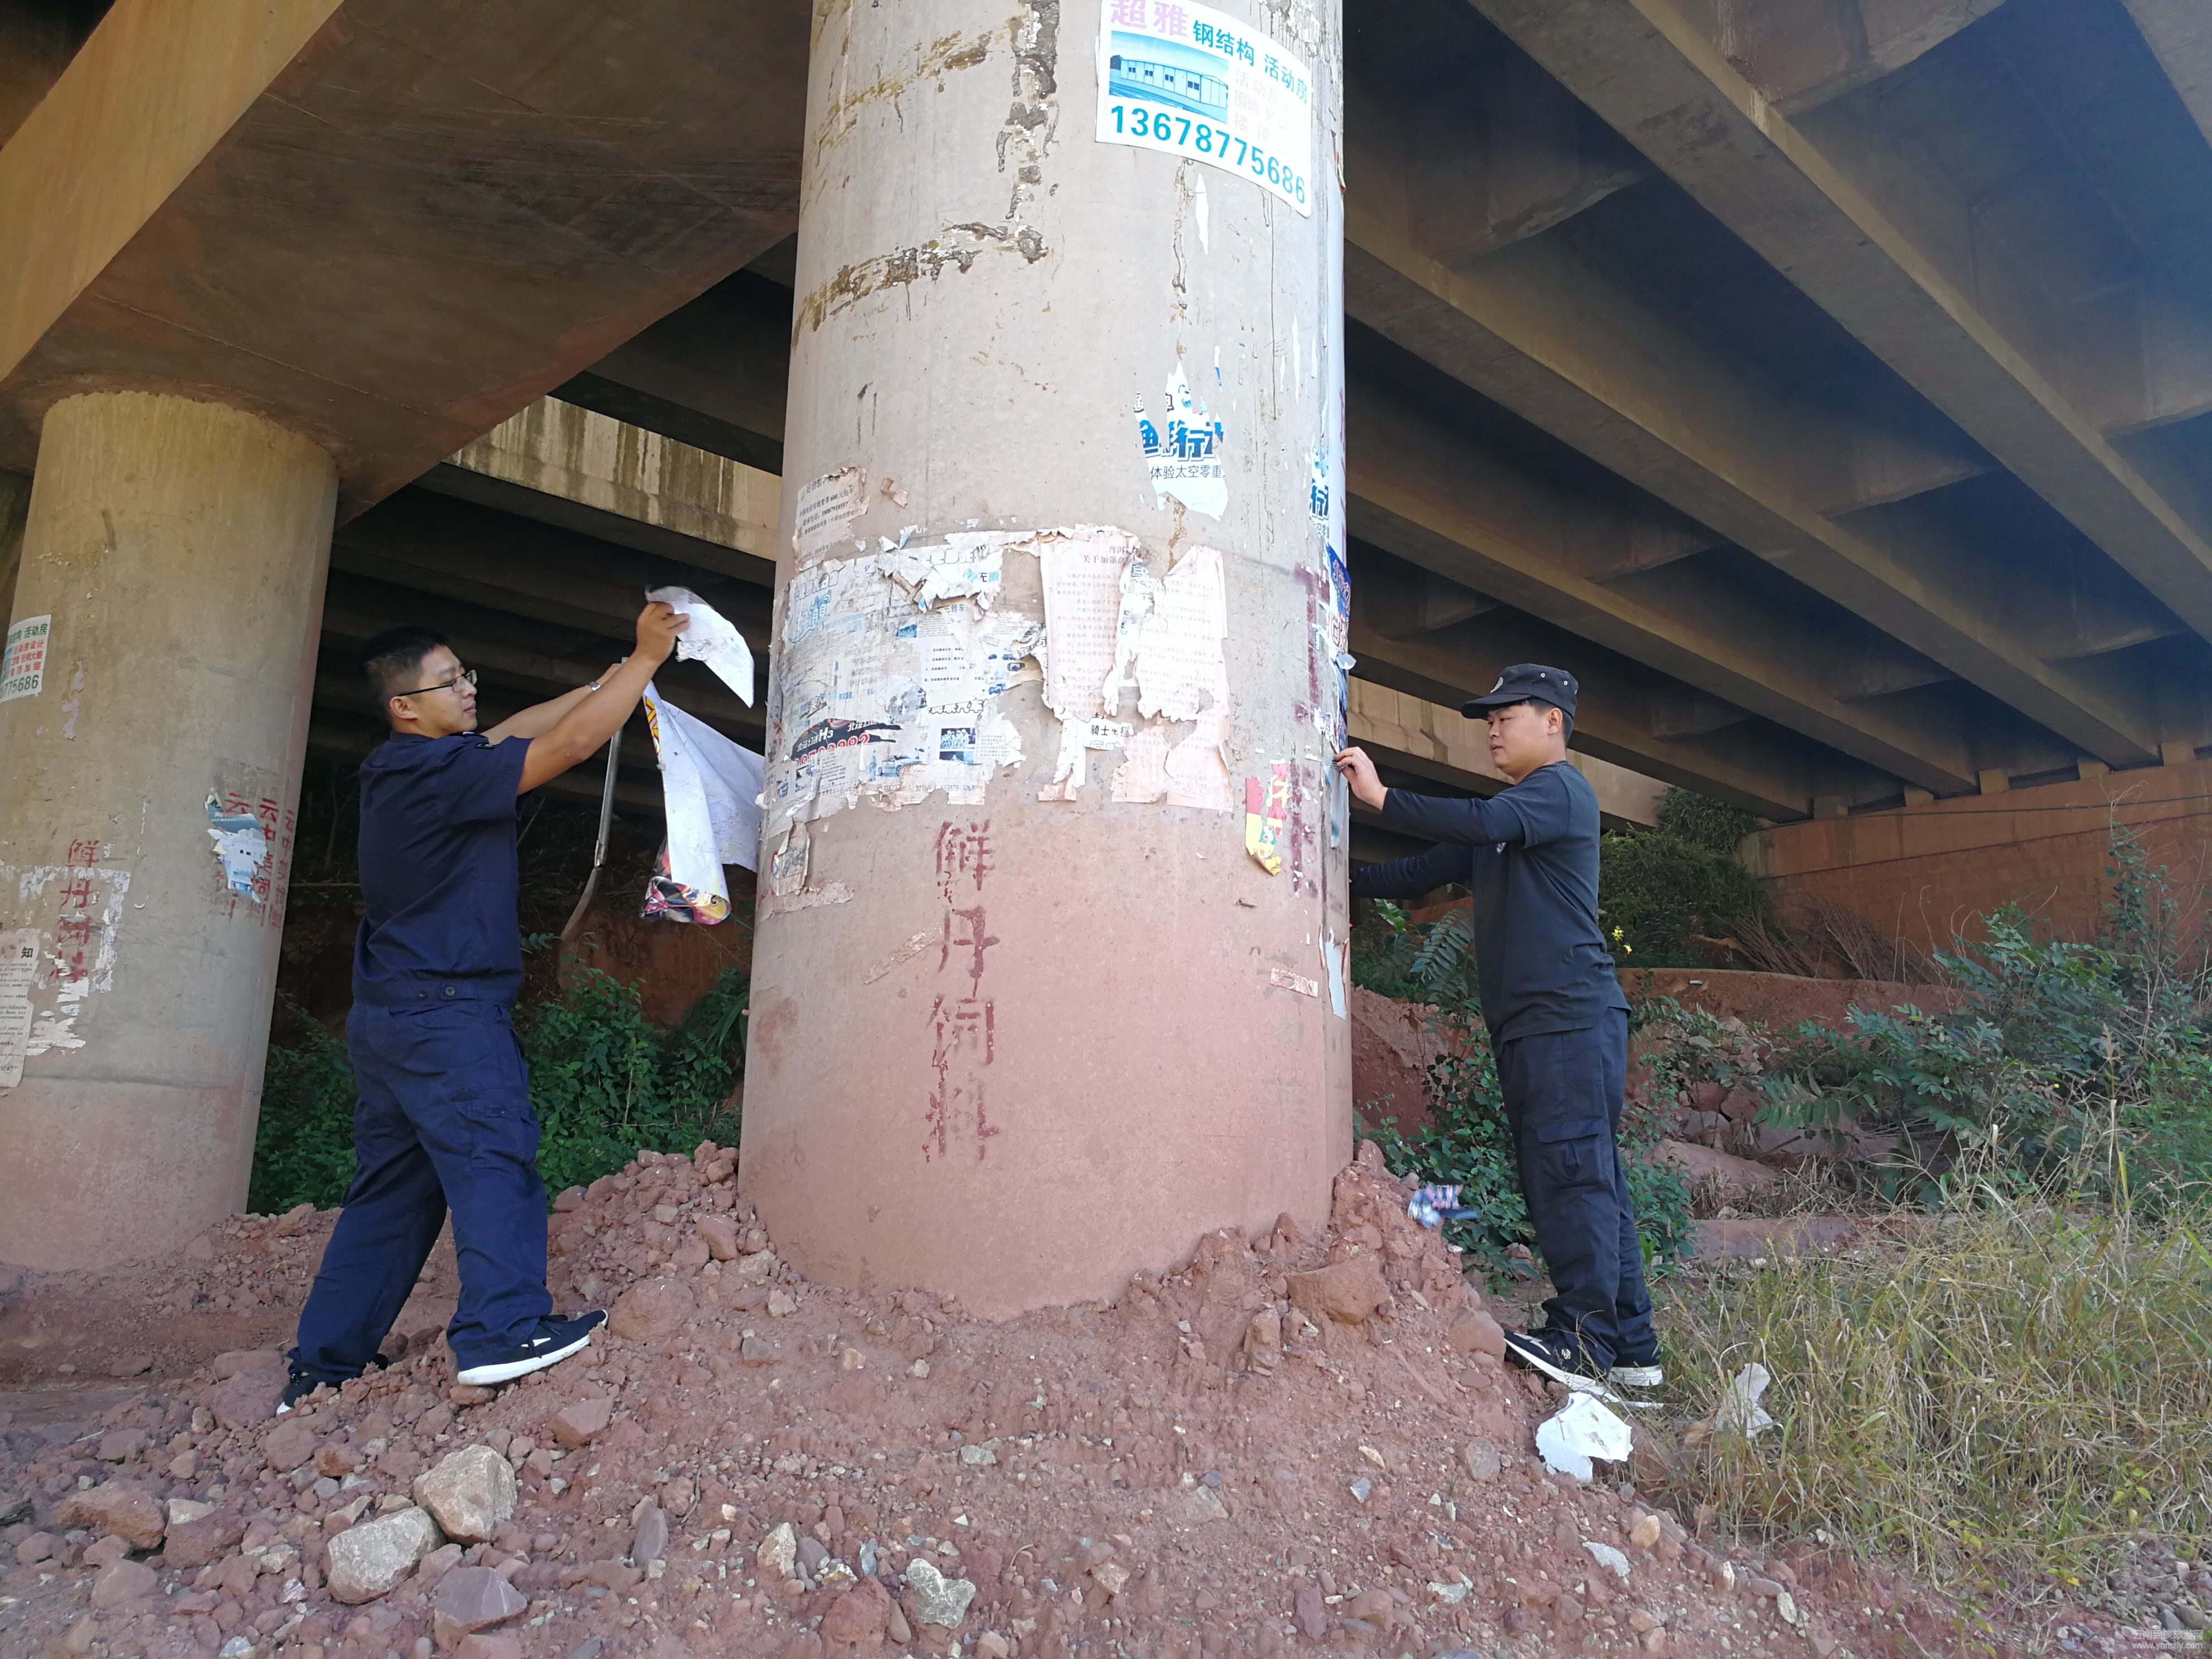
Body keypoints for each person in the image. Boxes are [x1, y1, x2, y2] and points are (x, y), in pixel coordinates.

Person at [282, 603, 687, 1409]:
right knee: (491, 1158)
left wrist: (608, 681)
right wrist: (645, 663)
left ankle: (322, 1369)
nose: (468, 688)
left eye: (466, 673)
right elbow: (566, 747)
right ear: (405, 706)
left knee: (390, 1198)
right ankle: (502, 1331)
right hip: (447, 1016)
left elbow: (516, 730)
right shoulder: (436, 776)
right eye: (450, 681)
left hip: (393, 1020)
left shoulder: (409, 767)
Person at [1334, 663, 1659, 1395]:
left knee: (1570, 1173)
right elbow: (1417, 870)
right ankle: (1632, 1348)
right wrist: (1337, 878)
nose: (1492, 730)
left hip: (1566, 1017)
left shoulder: (1559, 792)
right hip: (1543, 1023)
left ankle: (1584, 1343)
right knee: (1592, 1176)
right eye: (1490, 720)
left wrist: (1382, 797)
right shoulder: (1510, 822)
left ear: (1554, 721)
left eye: (1506, 717)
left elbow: (1478, 823)